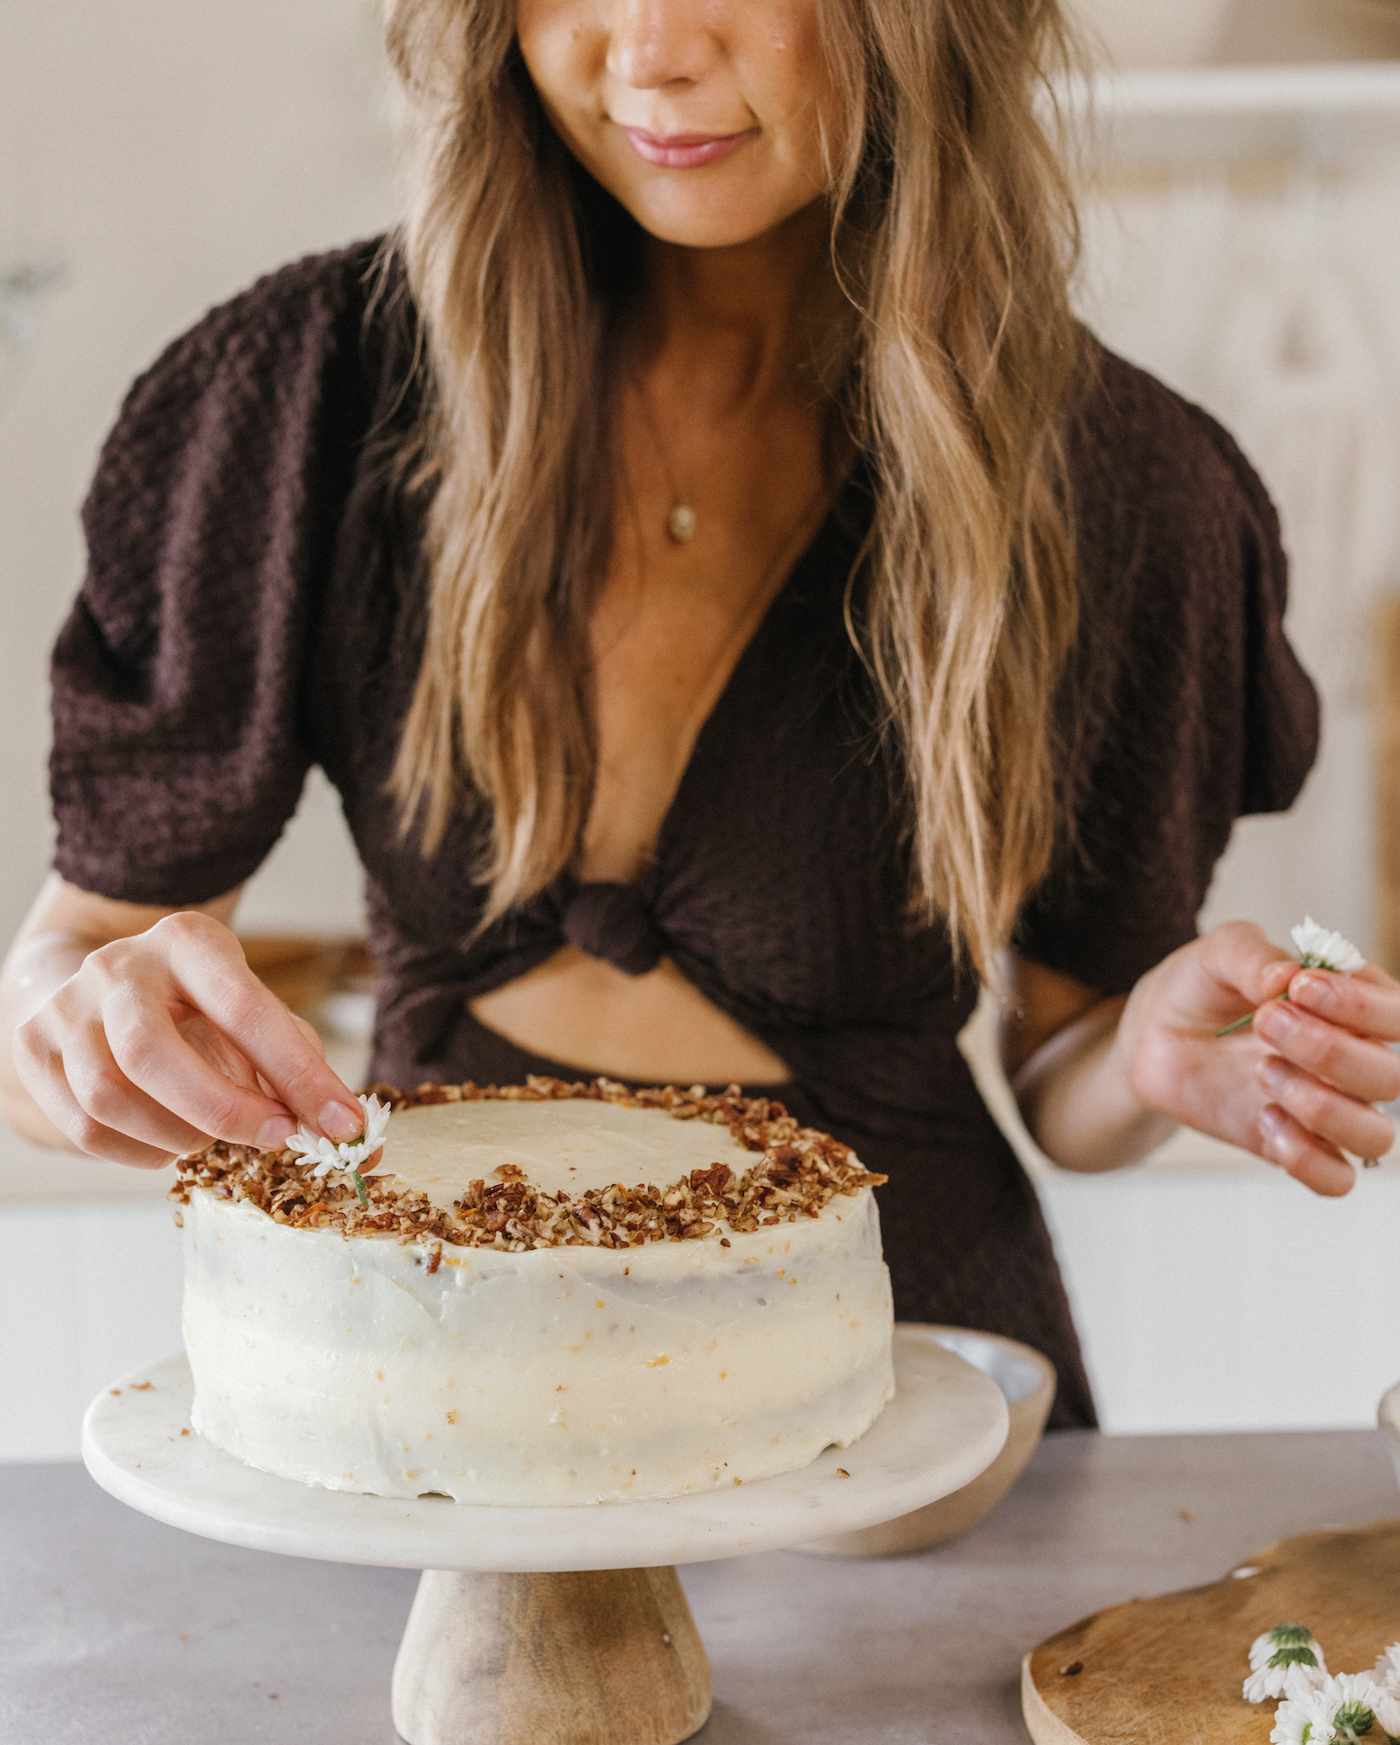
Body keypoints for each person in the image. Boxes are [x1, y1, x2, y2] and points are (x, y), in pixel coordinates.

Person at [3, 0, 1398, 1430]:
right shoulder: (302, 398)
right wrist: (76, 1029)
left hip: (903, 1391)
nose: (651, 49)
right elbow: (62, 990)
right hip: (436, 1379)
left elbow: (1066, 1071)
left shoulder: (1123, 488)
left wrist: (1153, 1048)